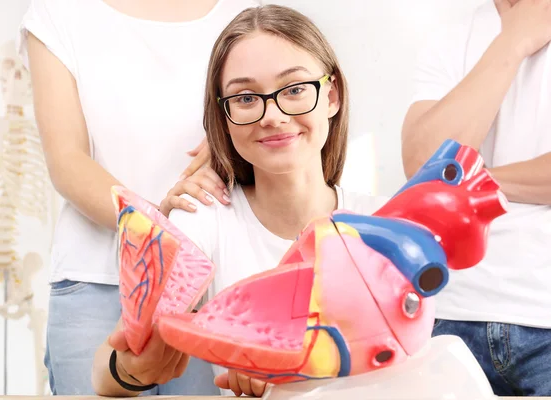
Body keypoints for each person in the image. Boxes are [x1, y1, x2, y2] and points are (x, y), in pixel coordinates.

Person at [92, 4, 389, 397]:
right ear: (225, 116)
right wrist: (132, 369)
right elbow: (104, 374)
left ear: (331, 95)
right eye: (246, 98)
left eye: (296, 89)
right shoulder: (204, 222)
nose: (273, 115)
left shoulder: (383, 224)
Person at [17, 0, 258, 395]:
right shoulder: (58, 14)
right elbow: (67, 160)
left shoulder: (245, 11)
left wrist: (230, 146)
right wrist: (158, 224)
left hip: (214, 282)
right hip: (96, 280)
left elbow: (273, 124)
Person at [401, 0, 551, 396]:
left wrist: (470, 179)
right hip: (448, 317)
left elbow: (438, 172)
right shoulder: (451, 38)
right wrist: (515, 40)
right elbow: (422, 163)